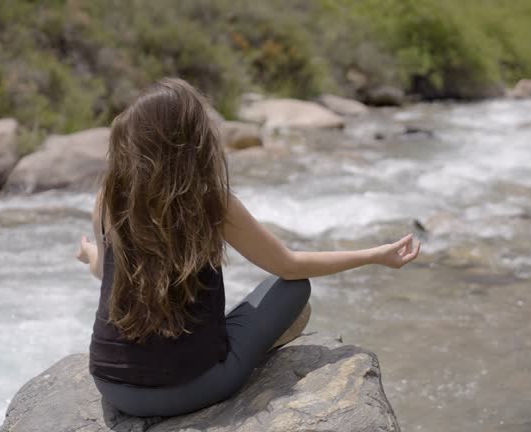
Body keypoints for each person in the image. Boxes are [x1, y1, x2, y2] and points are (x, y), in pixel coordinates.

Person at [75, 77, 421, 418]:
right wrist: (374, 255)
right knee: (291, 290)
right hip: (195, 386)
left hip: (112, 386)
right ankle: (211, 350)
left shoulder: (109, 197)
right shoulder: (211, 202)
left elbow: (105, 271)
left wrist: (91, 253)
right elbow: (290, 267)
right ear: (194, 141)